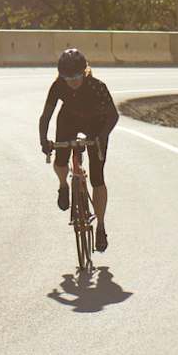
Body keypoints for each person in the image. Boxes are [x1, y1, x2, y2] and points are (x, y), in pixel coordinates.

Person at [39, 45, 119, 253]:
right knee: (59, 160)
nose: (72, 82)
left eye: (76, 77)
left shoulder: (97, 86)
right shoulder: (58, 86)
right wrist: (44, 141)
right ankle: (63, 185)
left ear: (84, 72)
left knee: (97, 178)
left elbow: (113, 116)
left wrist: (102, 137)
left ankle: (100, 226)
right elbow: (46, 116)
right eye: (68, 78)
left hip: (97, 125)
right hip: (69, 121)